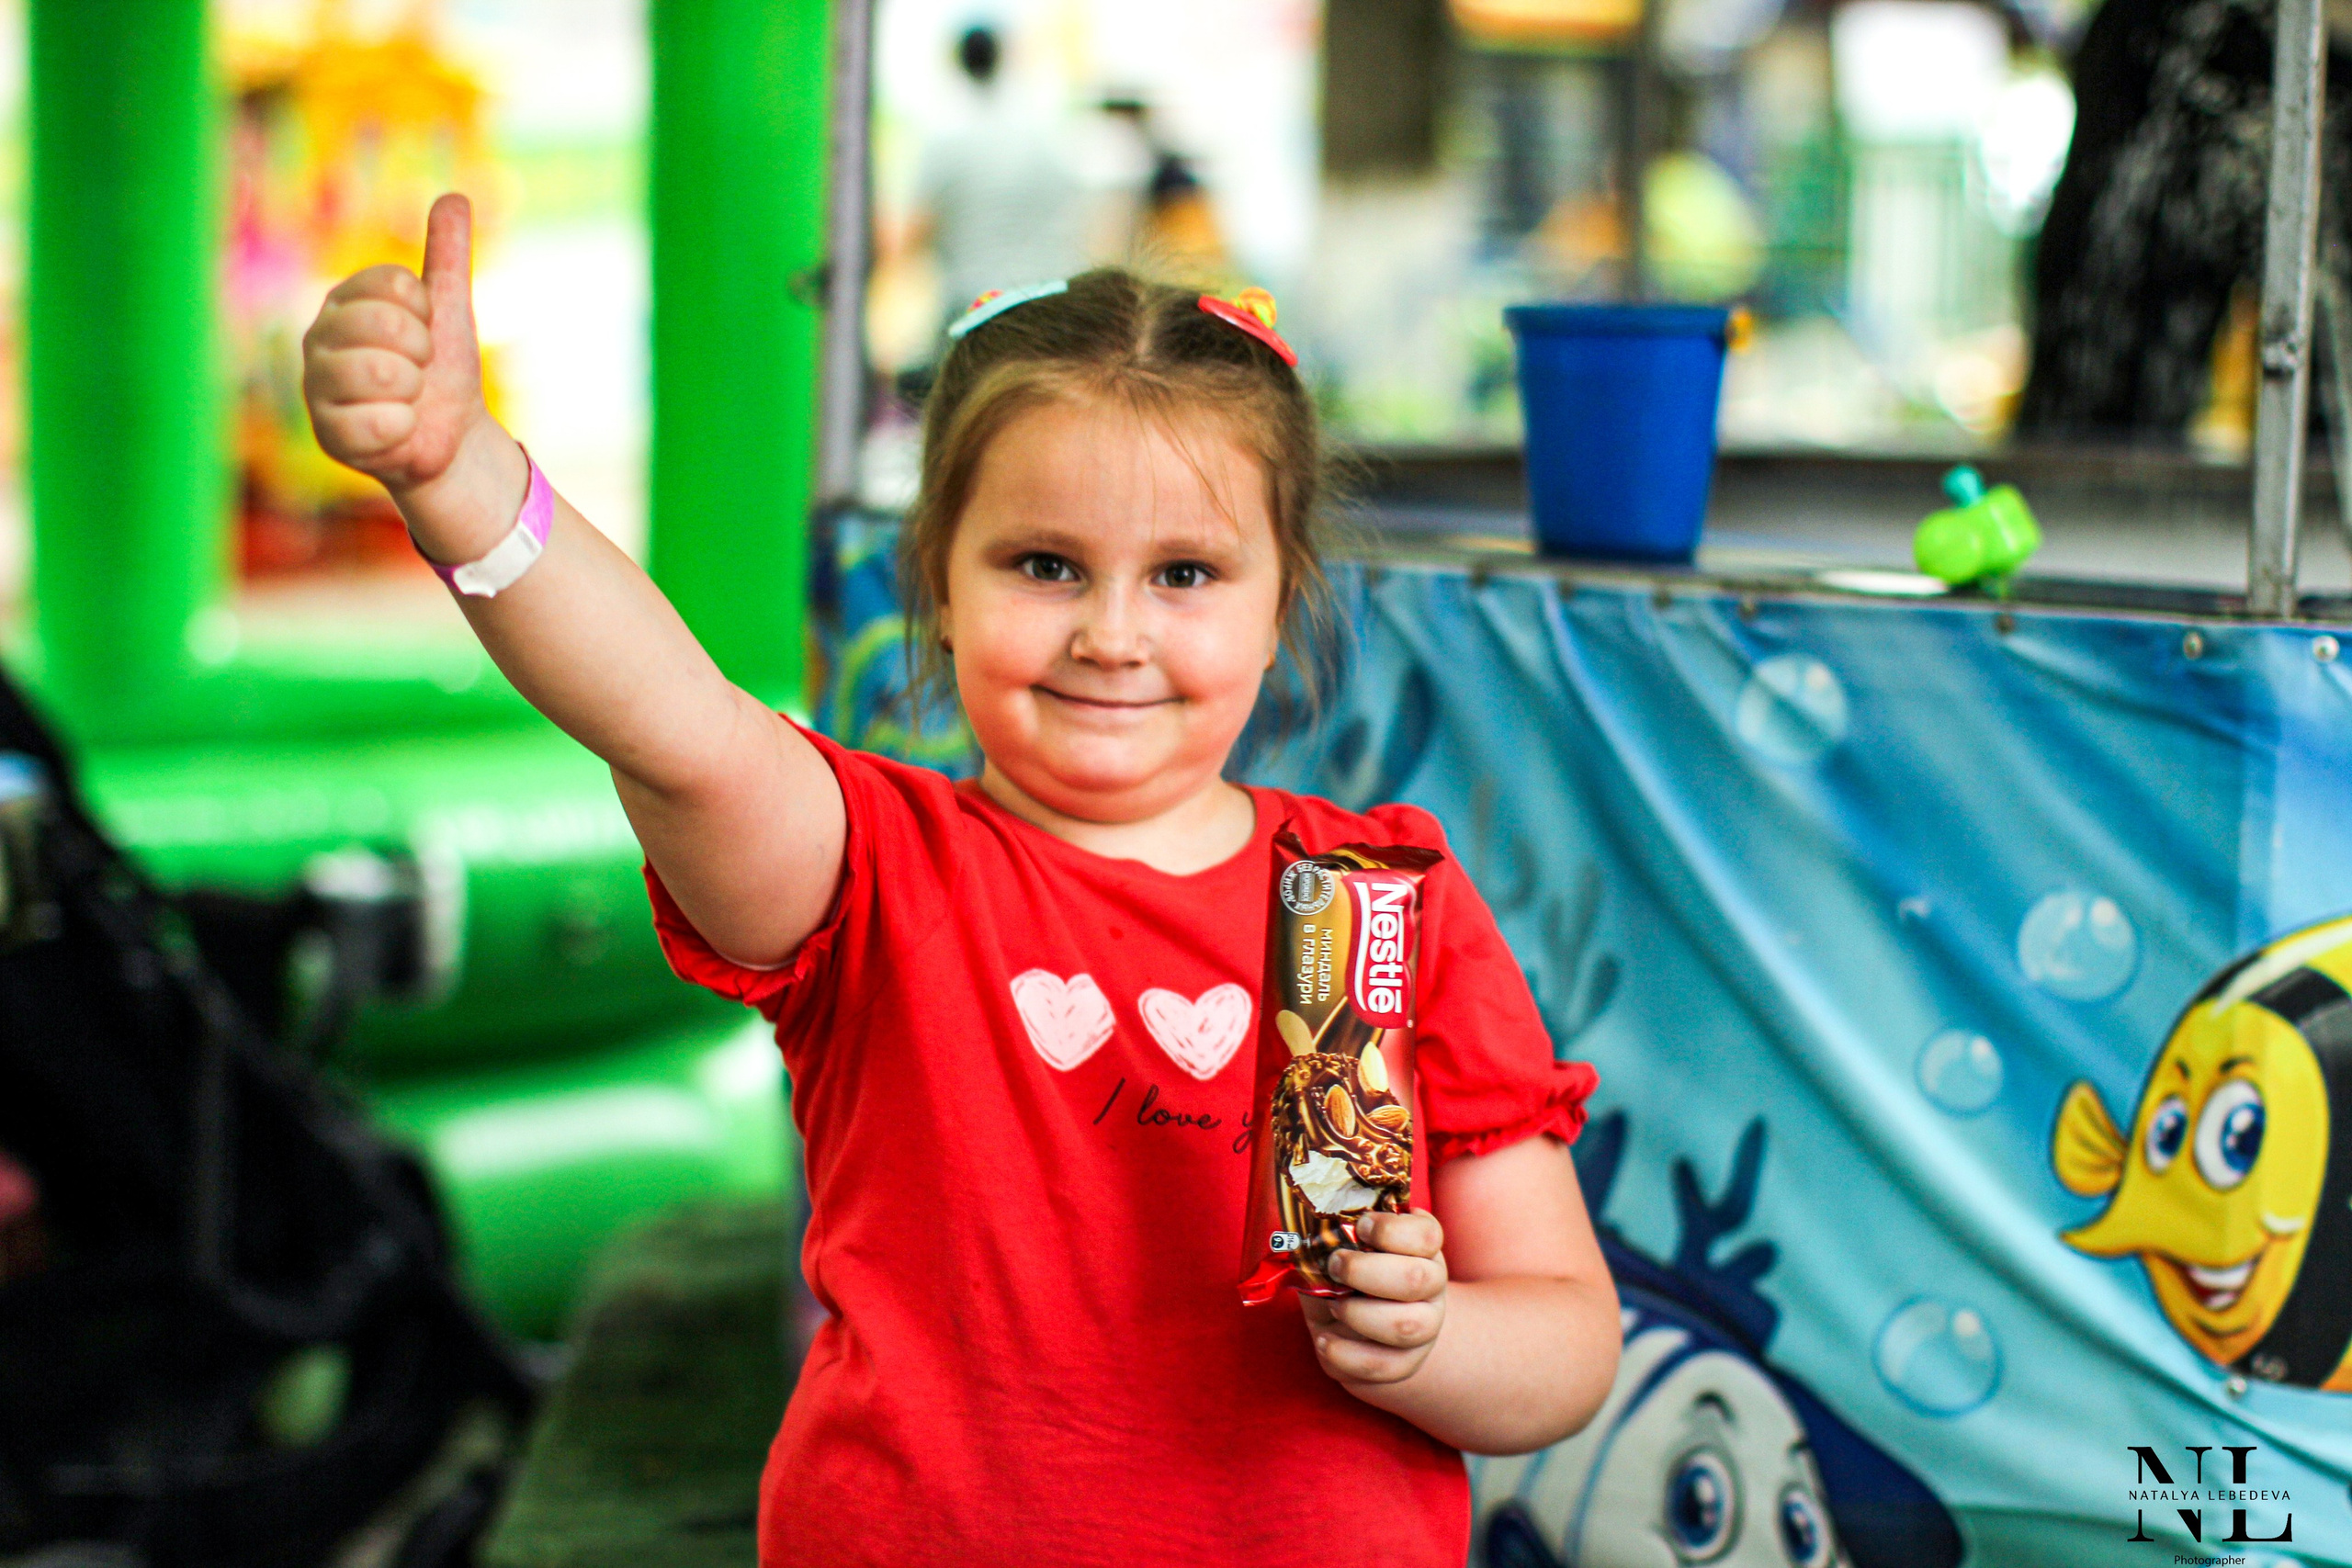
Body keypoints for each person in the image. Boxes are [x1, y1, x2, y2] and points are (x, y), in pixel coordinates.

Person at [300, 194, 1620, 1565]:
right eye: (1045, 565)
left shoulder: (1378, 899)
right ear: (938, 579)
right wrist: (460, 481)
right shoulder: (872, 864)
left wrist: (1426, 1337)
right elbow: (673, 724)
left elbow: (1568, 1337)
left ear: (1280, 600)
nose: (1114, 633)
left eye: (1186, 572)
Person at [908, 24, 1088, 333]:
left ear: (958, 62)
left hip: (975, 306)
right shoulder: (1045, 131)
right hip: (1048, 301)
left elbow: (918, 229)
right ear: (1002, 58)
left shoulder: (946, 136)